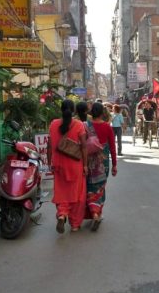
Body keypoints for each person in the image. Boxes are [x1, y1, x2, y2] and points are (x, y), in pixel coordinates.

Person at [47, 98, 88, 234]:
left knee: (62, 193)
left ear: (61, 110)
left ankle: (62, 214)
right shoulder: (79, 125)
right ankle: (75, 224)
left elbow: (49, 145)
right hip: (75, 165)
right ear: (74, 110)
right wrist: (86, 165)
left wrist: (49, 162)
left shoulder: (53, 124)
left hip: (58, 165)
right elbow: (84, 147)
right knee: (77, 195)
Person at [83, 101, 117, 231]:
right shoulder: (107, 127)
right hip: (103, 163)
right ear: (103, 113)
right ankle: (97, 213)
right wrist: (114, 165)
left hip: (89, 163)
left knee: (90, 188)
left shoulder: (85, 126)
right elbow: (113, 148)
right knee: (100, 188)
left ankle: (94, 212)